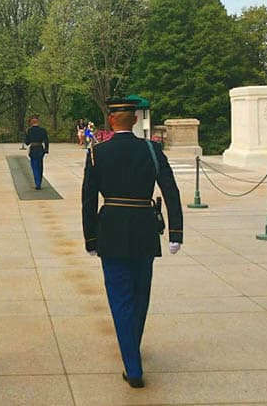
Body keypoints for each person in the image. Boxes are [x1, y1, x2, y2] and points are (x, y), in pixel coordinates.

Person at [81, 97, 184, 389]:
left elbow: (88, 199)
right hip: (144, 227)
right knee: (140, 295)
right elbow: (171, 191)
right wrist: (176, 232)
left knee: (120, 297)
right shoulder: (152, 150)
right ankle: (132, 353)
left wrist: (90, 237)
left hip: (111, 228)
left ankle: (133, 364)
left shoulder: (97, 152)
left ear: (111, 121)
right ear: (135, 121)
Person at [24, 115, 49, 190]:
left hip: (33, 149)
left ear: (31, 123)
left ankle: (37, 183)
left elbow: (27, 142)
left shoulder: (29, 130)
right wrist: (46, 149)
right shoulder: (43, 130)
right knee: (40, 166)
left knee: (34, 167)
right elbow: (46, 141)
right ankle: (39, 182)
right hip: (40, 149)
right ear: (38, 122)